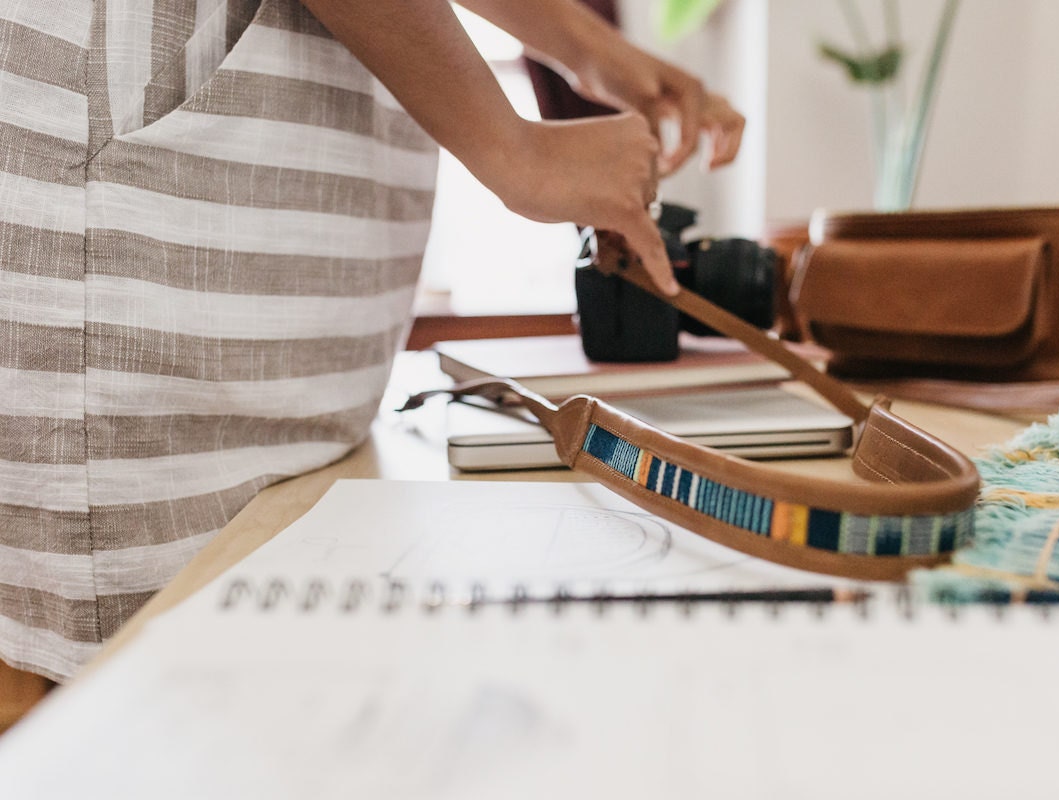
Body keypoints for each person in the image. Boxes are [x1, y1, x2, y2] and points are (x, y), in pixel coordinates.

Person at [0, 0, 744, 683]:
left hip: (306, 313)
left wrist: (583, 47)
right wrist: (514, 148)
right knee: (156, 686)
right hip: (164, 214)